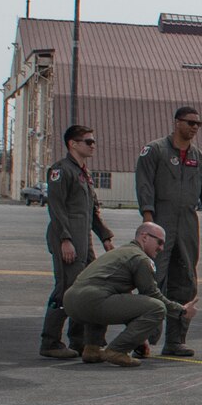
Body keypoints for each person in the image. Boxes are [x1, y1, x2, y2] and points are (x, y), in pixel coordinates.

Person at [134, 105, 202, 357]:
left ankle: (175, 340)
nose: (194, 127)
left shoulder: (200, 159)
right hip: (159, 222)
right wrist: (148, 219)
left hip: (186, 224)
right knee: (152, 279)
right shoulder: (154, 151)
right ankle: (142, 339)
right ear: (176, 123)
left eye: (198, 124)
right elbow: (144, 184)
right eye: (190, 122)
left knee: (185, 281)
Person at [61, 221, 197, 366]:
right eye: (159, 242)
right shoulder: (140, 258)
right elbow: (152, 295)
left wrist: (139, 337)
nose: (162, 248)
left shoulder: (119, 252)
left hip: (71, 302)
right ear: (144, 237)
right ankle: (117, 350)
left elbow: (127, 300)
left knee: (105, 297)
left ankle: (92, 349)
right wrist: (181, 311)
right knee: (157, 308)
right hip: (92, 300)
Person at [38, 124, 114, 361]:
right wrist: (65, 240)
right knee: (66, 290)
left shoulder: (83, 173)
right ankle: (50, 341)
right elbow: (57, 208)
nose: (93, 145)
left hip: (84, 240)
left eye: (93, 141)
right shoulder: (61, 171)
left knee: (86, 290)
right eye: (88, 142)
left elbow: (91, 212)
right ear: (73, 144)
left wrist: (106, 238)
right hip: (68, 239)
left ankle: (80, 341)